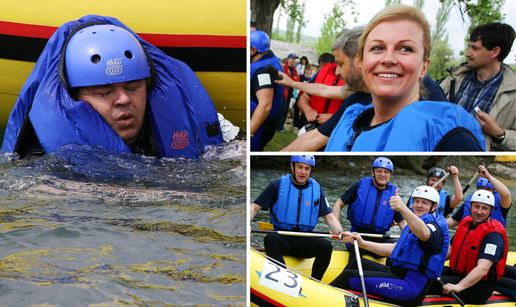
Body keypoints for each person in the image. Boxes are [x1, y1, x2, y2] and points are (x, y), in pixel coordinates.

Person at [2, 15, 223, 158]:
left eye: (133, 88)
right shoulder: (43, 159)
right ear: (74, 98)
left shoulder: (191, 120)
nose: (124, 100)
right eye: (104, 93)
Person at [325, 5, 486, 151]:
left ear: (424, 66)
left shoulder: (452, 138)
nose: (388, 59)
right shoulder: (351, 118)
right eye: (377, 48)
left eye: (405, 48)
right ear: (360, 61)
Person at [277, 24, 449, 152]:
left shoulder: (428, 94)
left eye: (340, 64)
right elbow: (315, 136)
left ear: (360, 60)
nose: (336, 72)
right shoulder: (356, 98)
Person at [330, 186, 449, 307]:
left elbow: (425, 234)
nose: (419, 205)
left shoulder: (435, 227)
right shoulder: (414, 225)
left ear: (434, 206)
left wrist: (402, 208)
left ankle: (324, 297)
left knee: (348, 276)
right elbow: (393, 249)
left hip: (411, 288)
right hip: (397, 274)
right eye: (417, 201)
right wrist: (362, 243)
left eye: (425, 203)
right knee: (356, 262)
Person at [250, 155, 345, 280]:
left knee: (325, 244)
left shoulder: (317, 190)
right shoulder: (277, 186)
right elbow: (254, 207)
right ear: (292, 166)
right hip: (283, 238)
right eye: (300, 167)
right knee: (270, 239)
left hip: (305, 240)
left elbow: (330, 218)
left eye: (307, 168)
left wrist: (341, 232)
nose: (303, 172)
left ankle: (315, 282)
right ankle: (282, 278)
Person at [439, 23, 516, 151]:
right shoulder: (453, 79)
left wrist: (499, 133)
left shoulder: (512, 92)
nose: (468, 53)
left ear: (495, 52)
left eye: (475, 48)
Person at [428, 190, 508, 304]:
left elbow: (483, 269)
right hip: (459, 273)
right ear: (470, 207)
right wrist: (427, 262)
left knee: (428, 281)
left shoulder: (493, 236)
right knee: (424, 272)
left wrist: (458, 287)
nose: (479, 211)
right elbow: (451, 249)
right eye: (476, 206)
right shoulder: (466, 223)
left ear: (490, 211)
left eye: (484, 208)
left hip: (478, 287)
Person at [332, 157, 405, 260]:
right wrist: (334, 226)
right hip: (357, 234)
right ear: (372, 172)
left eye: (386, 172)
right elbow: (338, 205)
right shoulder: (360, 186)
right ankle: (352, 273)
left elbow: (402, 222)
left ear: (390, 175)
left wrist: (408, 238)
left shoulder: (394, 194)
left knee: (400, 249)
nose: (382, 175)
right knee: (355, 246)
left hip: (380, 238)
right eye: (379, 171)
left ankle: (390, 274)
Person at [249, 30, 284, 151]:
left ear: (253, 50)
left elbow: (265, 105)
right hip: (265, 122)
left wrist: (249, 132)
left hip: (260, 125)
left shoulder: (262, 70)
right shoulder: (273, 60)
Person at [447, 165, 512, 228]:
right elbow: (453, 221)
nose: (484, 192)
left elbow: (506, 194)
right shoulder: (471, 201)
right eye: (481, 189)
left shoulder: (501, 201)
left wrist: (489, 177)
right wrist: (438, 222)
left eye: (488, 190)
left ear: (494, 191)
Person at [276, 53, 300, 132]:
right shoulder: (284, 67)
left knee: (286, 109)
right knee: (282, 108)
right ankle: (277, 126)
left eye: (294, 59)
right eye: (292, 59)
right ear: (288, 59)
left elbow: (297, 79)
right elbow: (285, 78)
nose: (293, 60)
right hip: (284, 90)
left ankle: (281, 126)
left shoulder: (294, 69)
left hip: (290, 90)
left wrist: (291, 79)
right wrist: (292, 79)